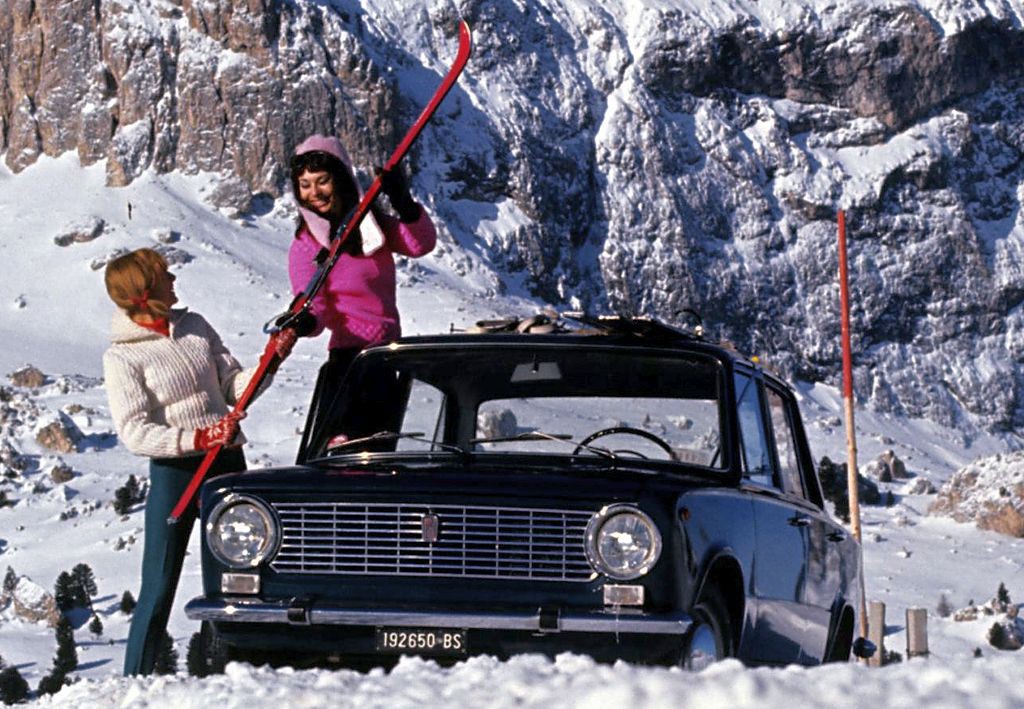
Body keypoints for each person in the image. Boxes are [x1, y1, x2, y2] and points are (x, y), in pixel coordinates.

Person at [102, 248, 296, 676]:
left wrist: (271, 359)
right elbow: (134, 431)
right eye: (164, 275)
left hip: (226, 465)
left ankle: (240, 673)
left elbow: (234, 389)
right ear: (144, 290)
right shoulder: (122, 357)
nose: (173, 280)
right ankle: (133, 682)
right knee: (158, 584)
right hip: (176, 474)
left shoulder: (195, 326)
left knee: (242, 578)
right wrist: (199, 437)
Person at [287, 135, 437, 442]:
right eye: (305, 185)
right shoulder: (308, 245)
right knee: (348, 449)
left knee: (381, 448)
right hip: (350, 363)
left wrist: (404, 204)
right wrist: (305, 320)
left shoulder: (371, 228)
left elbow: (420, 244)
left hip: (387, 357)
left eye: (322, 181)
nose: (314, 192)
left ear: (341, 179)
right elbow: (313, 302)